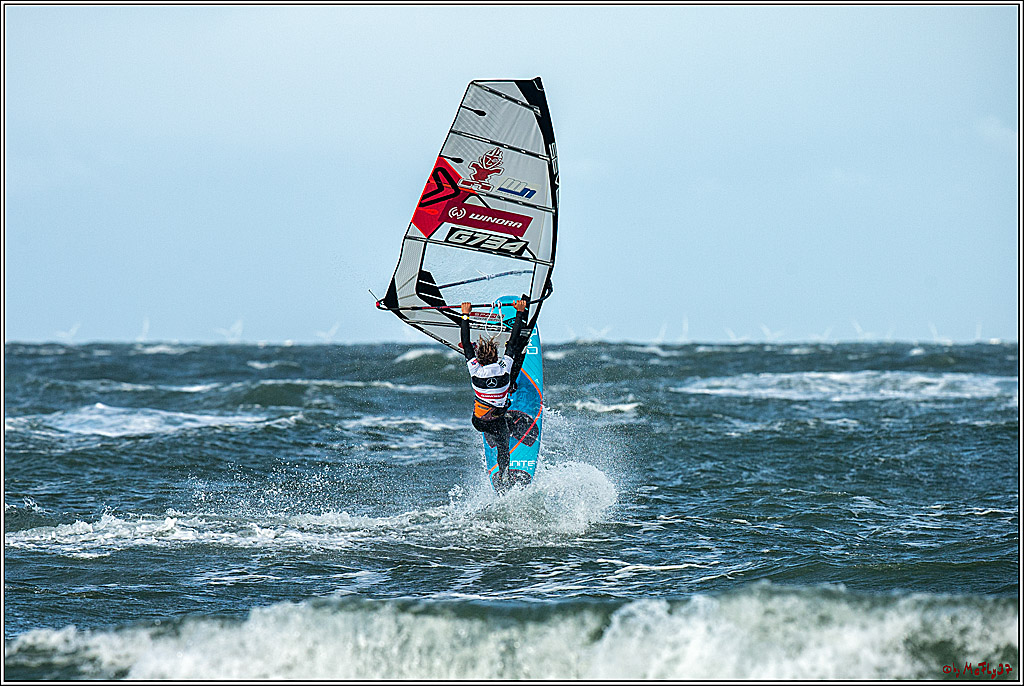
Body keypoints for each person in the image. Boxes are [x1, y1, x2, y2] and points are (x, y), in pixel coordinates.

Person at [459, 297, 529, 492]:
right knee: (503, 445)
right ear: (496, 356)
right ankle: (504, 474)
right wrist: (520, 312)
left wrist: (466, 313)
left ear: (478, 357)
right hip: (496, 420)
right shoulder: (504, 367)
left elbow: (465, 344)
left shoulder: (475, 370)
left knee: (491, 410)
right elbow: (513, 343)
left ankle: (491, 431)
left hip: (478, 421)